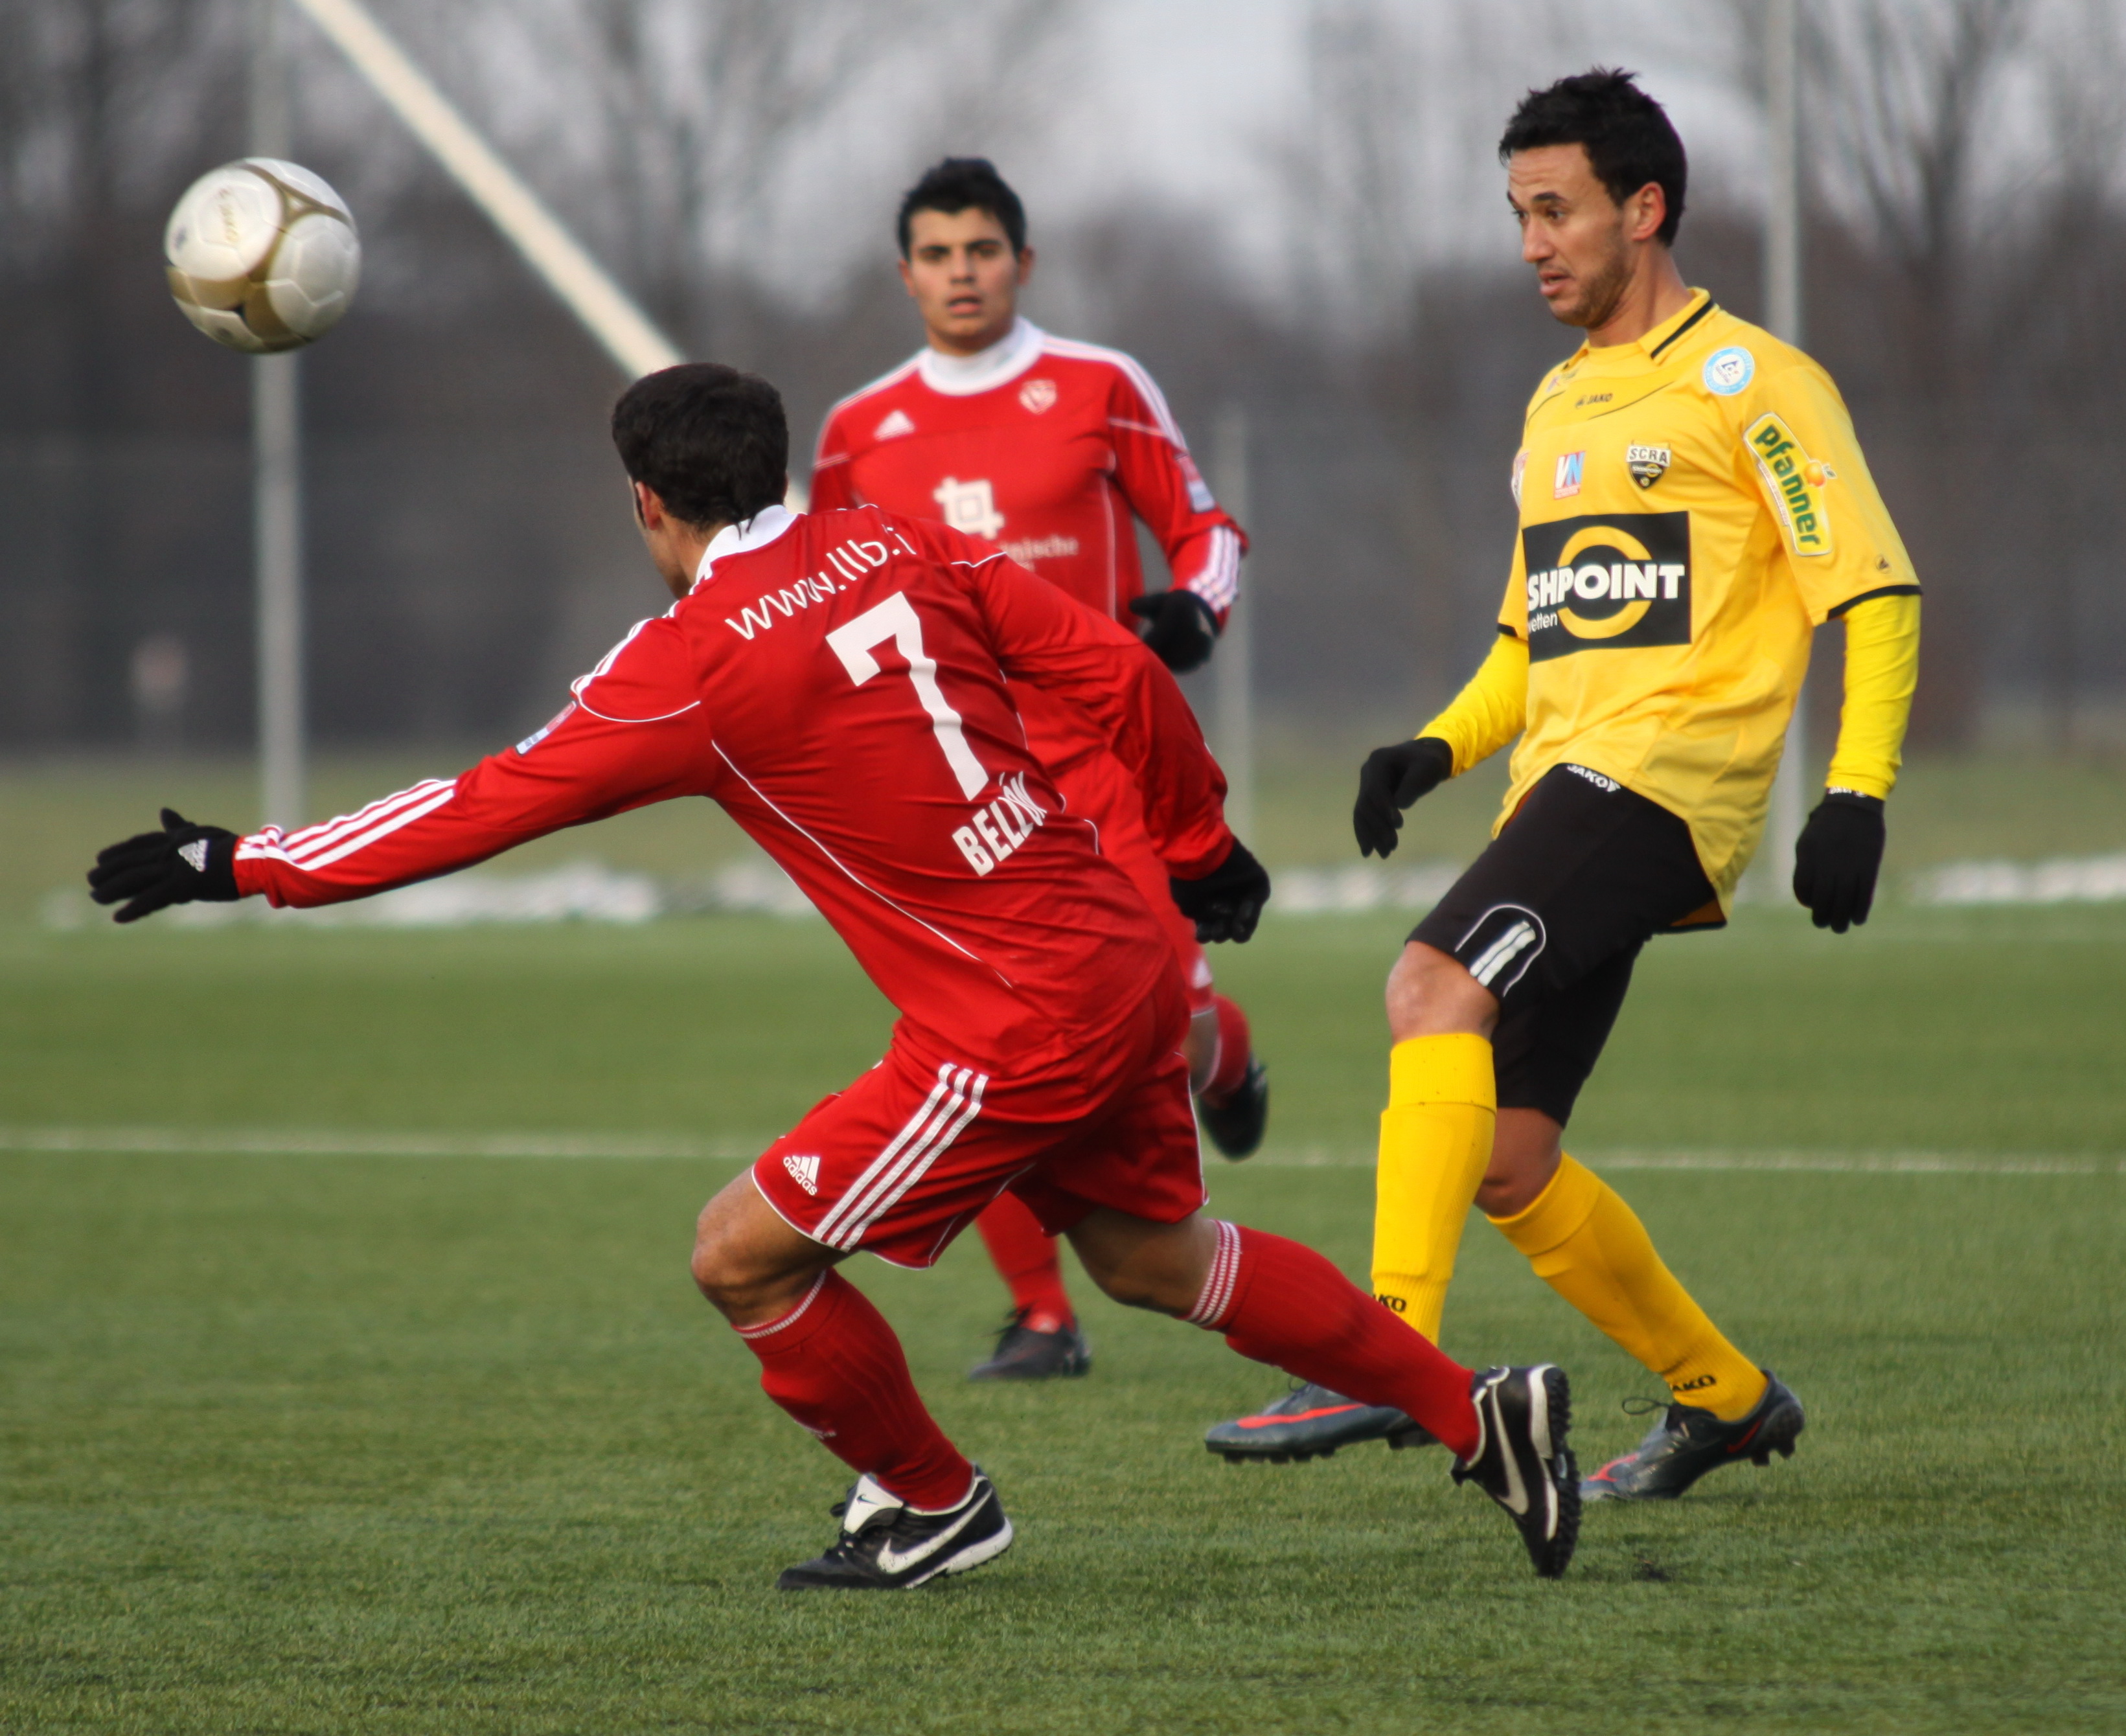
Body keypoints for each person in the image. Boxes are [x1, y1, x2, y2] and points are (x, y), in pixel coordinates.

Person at [87, 362, 1583, 1583]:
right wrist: (1200, 842)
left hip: (1015, 1015)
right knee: (1150, 1258)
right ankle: (1479, 1413)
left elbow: (475, 804)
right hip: (1122, 945)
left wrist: (242, 861)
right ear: (779, 464)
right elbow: (1122, 671)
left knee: (740, 1254)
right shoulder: (903, 540)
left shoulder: (687, 664)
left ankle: (933, 1502)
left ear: (647, 502)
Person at [1207, 68, 1920, 1503]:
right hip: (1564, 789)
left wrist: (1855, 789)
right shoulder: (1556, 403)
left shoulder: (1755, 383)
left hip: (1667, 779)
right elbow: (1532, 640)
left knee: (1428, 987)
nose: (1532, 243)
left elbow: (1874, 587)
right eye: (1518, 214)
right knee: (1510, 1158)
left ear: (1642, 210)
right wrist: (1432, 749)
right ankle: (1724, 1398)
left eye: (1557, 210)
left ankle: (1385, 1353)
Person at [810, 159, 1266, 1382]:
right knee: (984, 1034)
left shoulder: (1100, 383)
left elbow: (1205, 528)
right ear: (905, 273)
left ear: (1022, 261)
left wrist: (1195, 610)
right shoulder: (857, 430)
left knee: (1164, 1023)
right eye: (937, 254)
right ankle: (1041, 1317)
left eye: (981, 250)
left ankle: (1223, 1052)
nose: (961, 272)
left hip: (1105, 758)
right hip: (957, 779)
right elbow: (824, 593)